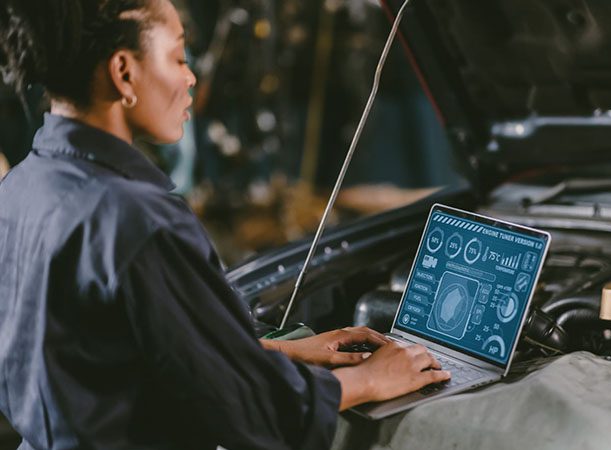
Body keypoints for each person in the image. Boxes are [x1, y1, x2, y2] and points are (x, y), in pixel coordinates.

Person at [0, 1, 450, 449]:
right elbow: (250, 410)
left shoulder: (22, 187)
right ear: (124, 72)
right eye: (178, 57)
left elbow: (105, 361)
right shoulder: (136, 220)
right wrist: (372, 379)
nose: (190, 76)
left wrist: (277, 350)